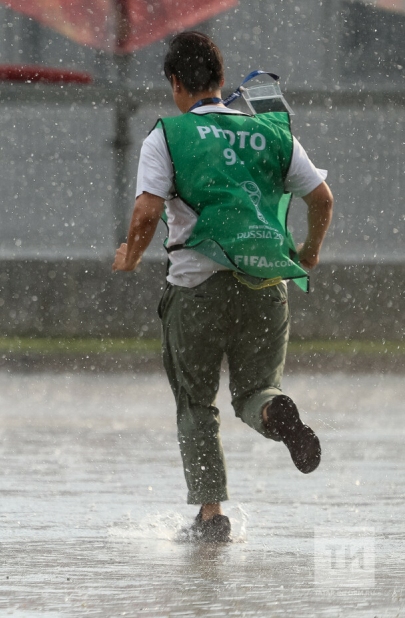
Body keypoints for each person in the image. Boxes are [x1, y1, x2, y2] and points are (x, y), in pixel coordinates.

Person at [112, 31, 334, 543]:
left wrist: (129, 256)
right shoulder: (273, 133)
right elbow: (321, 198)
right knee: (255, 391)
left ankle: (211, 516)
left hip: (196, 290)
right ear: (222, 80)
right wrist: (310, 251)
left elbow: (147, 210)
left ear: (174, 82)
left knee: (197, 404)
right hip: (266, 285)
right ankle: (278, 413)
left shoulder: (167, 135)